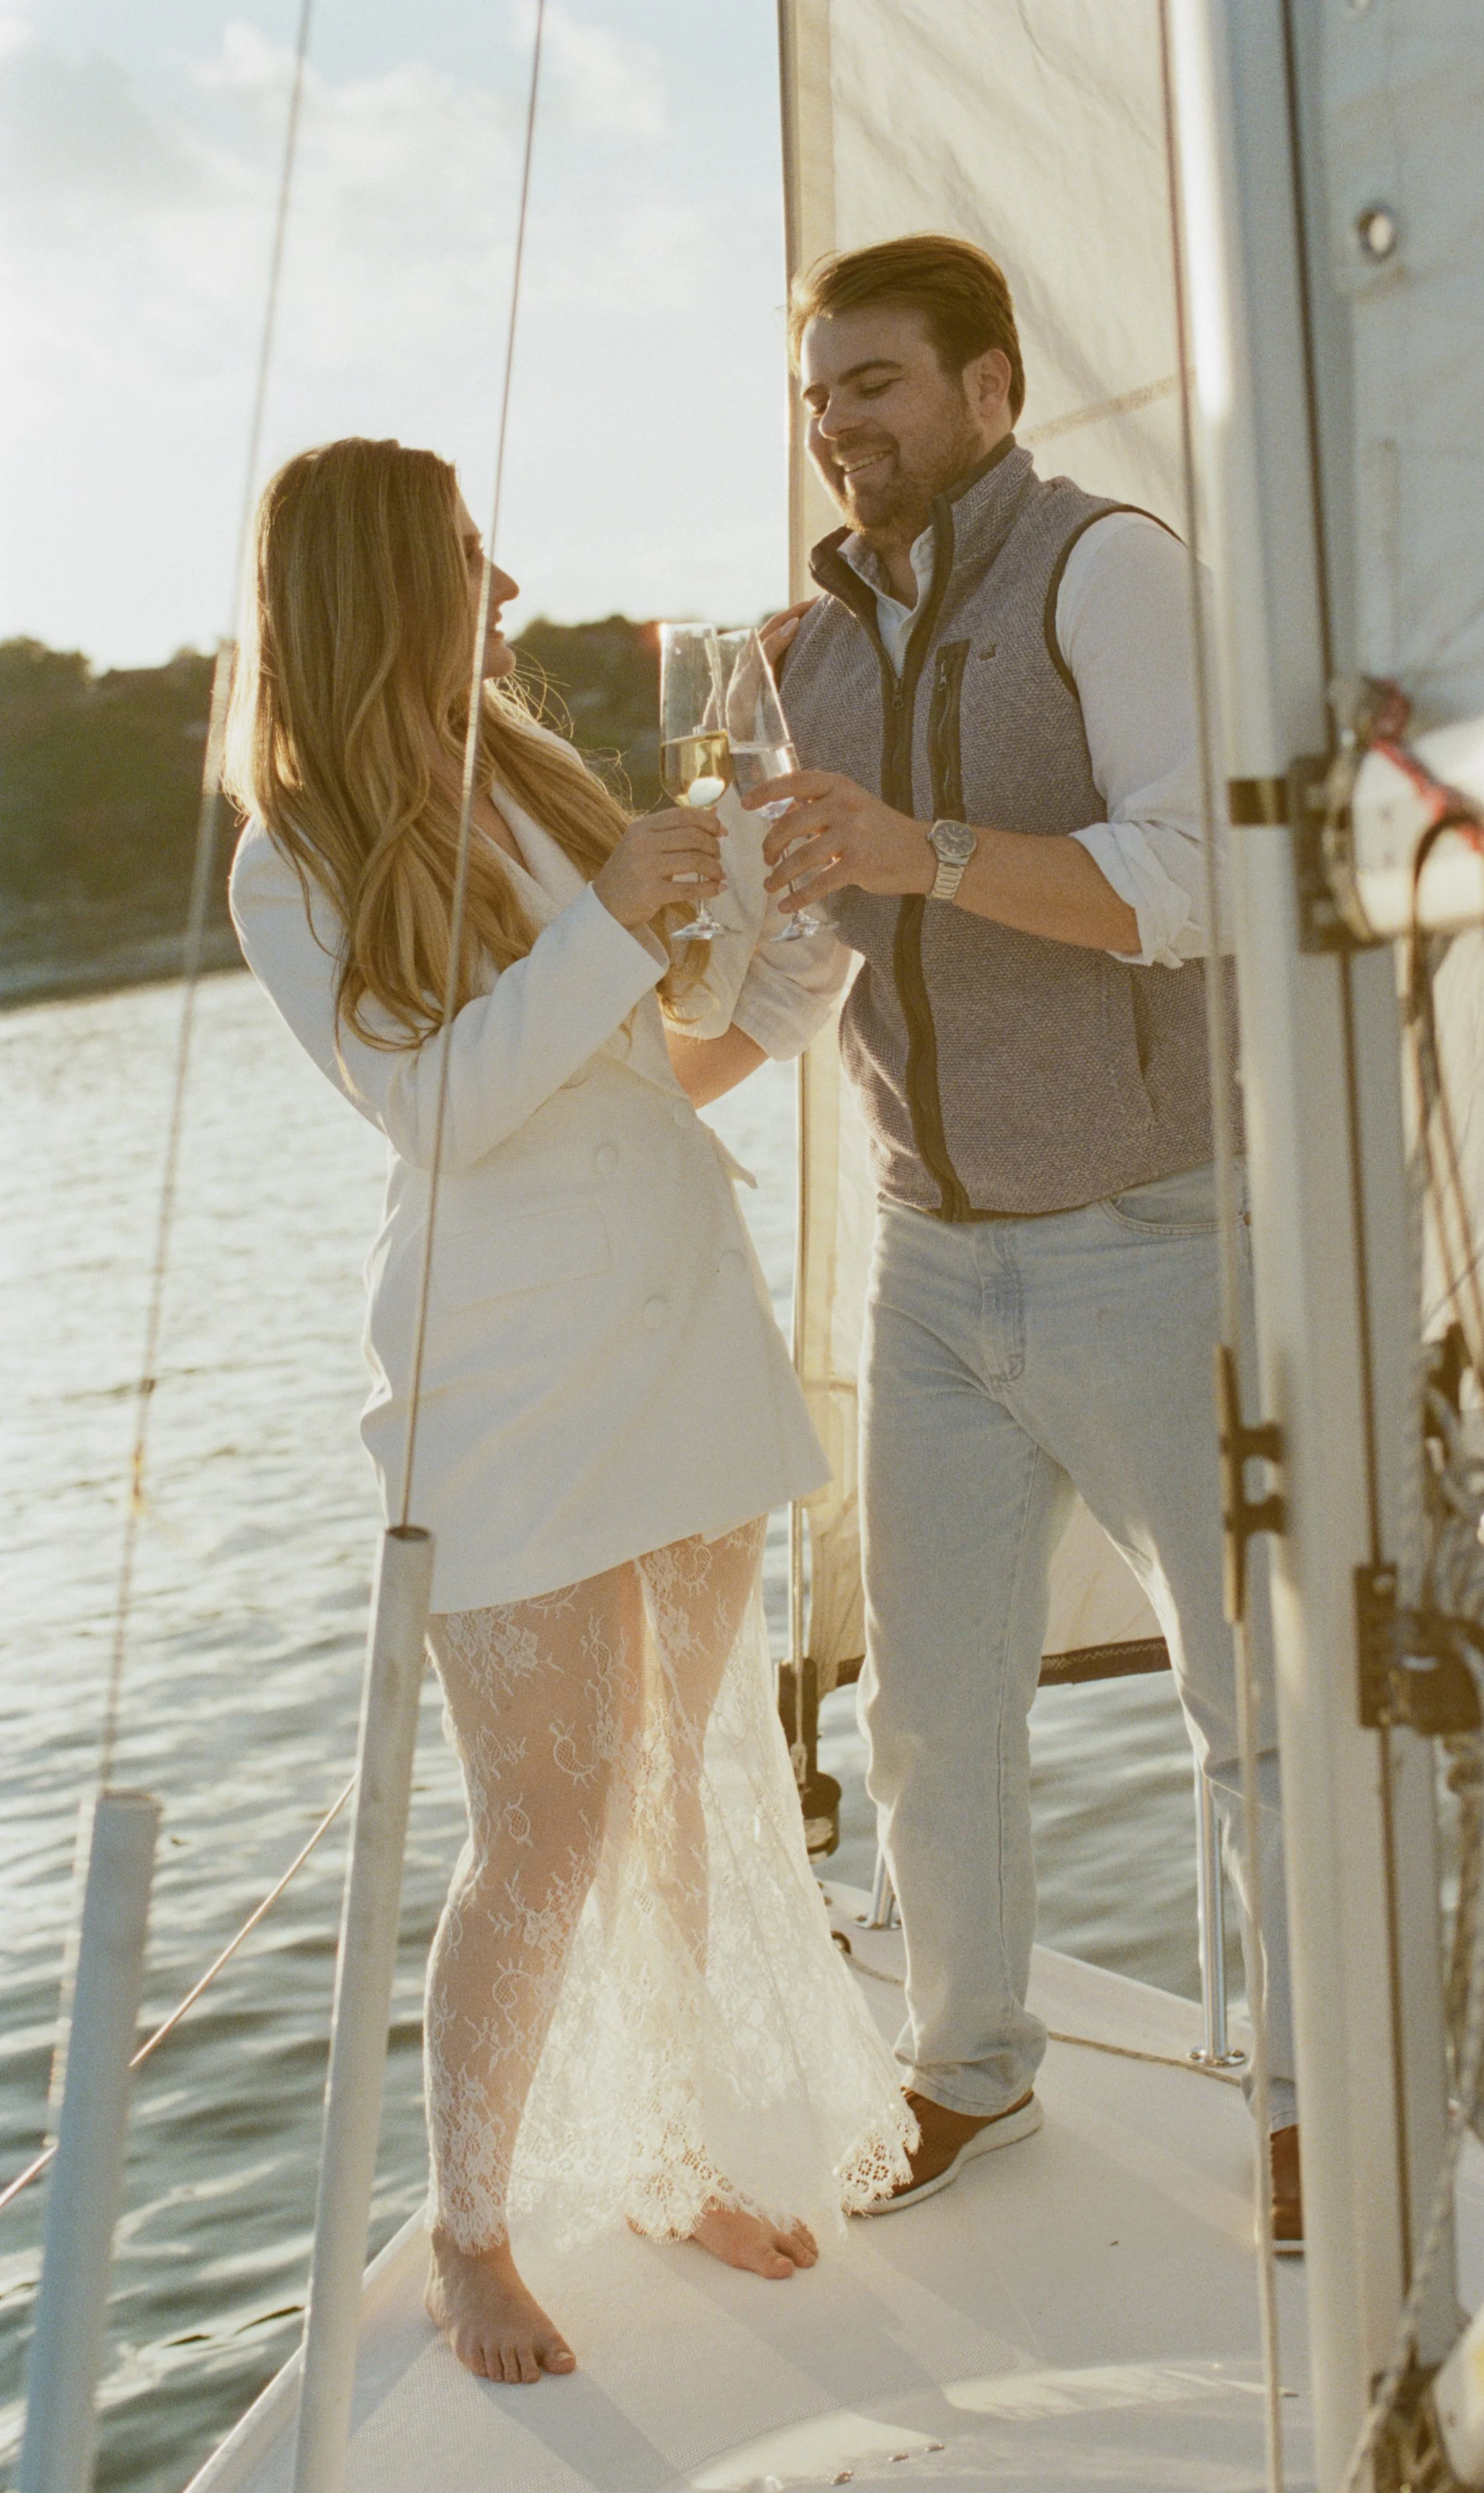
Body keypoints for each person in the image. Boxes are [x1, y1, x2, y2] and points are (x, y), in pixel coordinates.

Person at [223, 437, 912, 2388]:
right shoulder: (292, 859)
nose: (507, 587)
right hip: (504, 1385)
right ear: (379, 584)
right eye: (469, 555)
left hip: (679, 1328)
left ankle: (671, 2154)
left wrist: (782, 940)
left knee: (682, 1780)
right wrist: (616, 910)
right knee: (545, 1819)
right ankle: (471, 2232)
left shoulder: (527, 775)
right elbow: (440, 1109)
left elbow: (644, 1062)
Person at [722, 234, 1302, 2241]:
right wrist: (660, 1001)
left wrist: (928, 851)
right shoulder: (794, 656)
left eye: (874, 381)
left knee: (1254, 1705)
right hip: (929, 1262)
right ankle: (966, 2070)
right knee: (927, 1704)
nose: (838, 423)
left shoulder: (1104, 571)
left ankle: (1314, 2097)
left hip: (1155, 1232)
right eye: (818, 392)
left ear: (990, 388)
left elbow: (1201, 879)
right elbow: (803, 965)